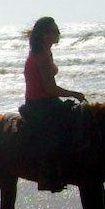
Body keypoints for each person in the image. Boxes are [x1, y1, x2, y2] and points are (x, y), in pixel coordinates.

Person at [19, 17, 86, 192]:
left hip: (47, 101)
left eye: (57, 30)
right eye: (55, 31)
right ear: (44, 34)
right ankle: (50, 175)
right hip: (39, 104)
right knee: (57, 132)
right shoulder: (41, 56)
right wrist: (74, 94)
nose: (58, 34)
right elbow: (49, 88)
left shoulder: (46, 52)